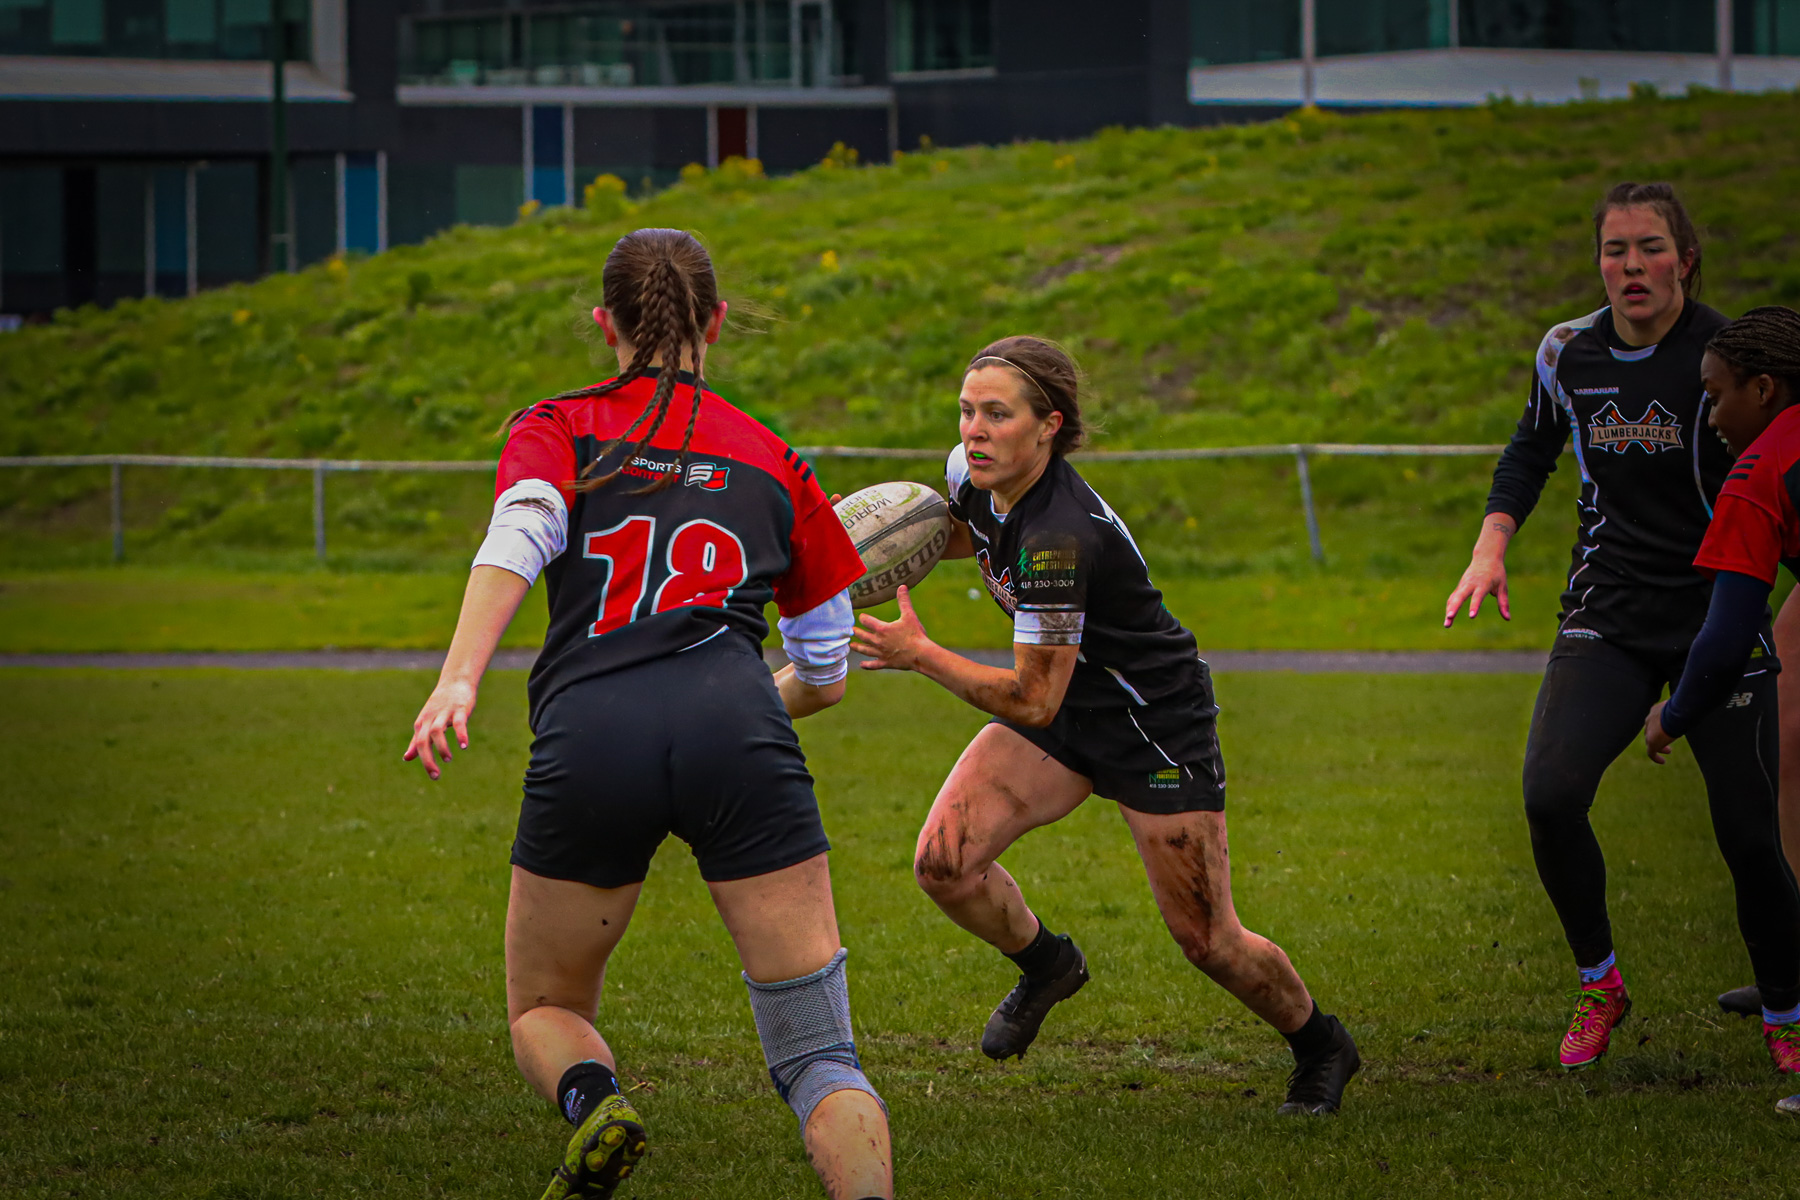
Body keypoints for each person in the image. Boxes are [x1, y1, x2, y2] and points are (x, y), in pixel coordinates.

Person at [403, 228, 893, 1200]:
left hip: (594, 732)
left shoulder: (558, 423)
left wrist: (460, 675)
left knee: (544, 1006)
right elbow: (826, 670)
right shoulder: (775, 461)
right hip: (738, 723)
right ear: (715, 322)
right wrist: (745, 710)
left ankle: (597, 1103)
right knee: (821, 1056)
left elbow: (523, 527)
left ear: (605, 326)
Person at [851, 335, 1360, 1115]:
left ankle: (1322, 1045)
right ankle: (1049, 964)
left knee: (1208, 941)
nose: (974, 431)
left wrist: (920, 655)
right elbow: (966, 536)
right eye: (966, 412)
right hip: (1066, 708)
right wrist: (882, 551)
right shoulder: (971, 477)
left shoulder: (1061, 537)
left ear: (1048, 425)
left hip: (1147, 721)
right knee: (945, 864)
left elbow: (1031, 700)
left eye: (997, 414)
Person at [1444, 183, 1800, 1075]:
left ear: (1685, 258)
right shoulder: (1567, 350)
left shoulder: (1728, 361)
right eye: (1614, 250)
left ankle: (1788, 1016)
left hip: (1716, 614)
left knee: (1751, 837)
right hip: (1606, 612)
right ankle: (1599, 980)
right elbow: (1530, 450)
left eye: (1649, 248)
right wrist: (1492, 546)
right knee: (1550, 795)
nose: (1630, 267)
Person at [1640, 305, 1800, 1108]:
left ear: (1764, 388)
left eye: (1715, 396)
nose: (1707, 415)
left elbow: (1728, 634)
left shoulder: (1759, 471)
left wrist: (1672, 716)